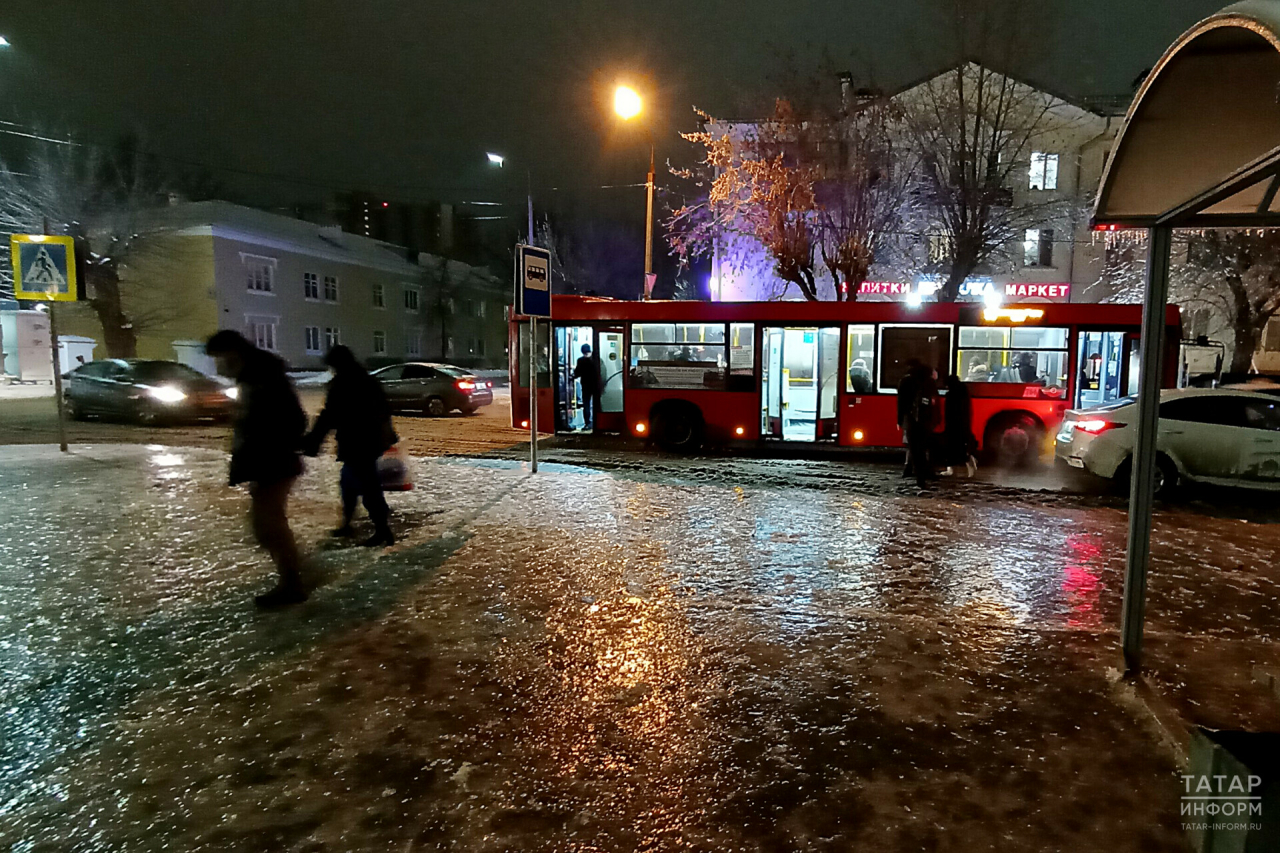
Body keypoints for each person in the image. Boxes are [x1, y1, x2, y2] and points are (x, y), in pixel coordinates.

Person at [206, 330, 308, 608]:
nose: (218, 365)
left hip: (273, 463)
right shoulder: (255, 379)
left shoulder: (263, 380)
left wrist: (260, 437)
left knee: (269, 527)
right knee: (267, 526)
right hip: (266, 463)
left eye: (219, 358)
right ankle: (293, 576)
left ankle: (293, 583)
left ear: (233, 354)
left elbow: (293, 421)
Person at [303, 345, 397, 547]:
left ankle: (382, 530)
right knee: (349, 484)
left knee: (368, 487)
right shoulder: (367, 380)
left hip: (358, 443)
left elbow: (330, 415)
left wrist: (313, 441)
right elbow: (384, 409)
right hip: (368, 441)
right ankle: (349, 524)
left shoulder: (344, 383)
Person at [898, 361, 940, 487]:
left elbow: (901, 403)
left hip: (911, 421)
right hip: (927, 421)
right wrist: (936, 420)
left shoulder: (905, 381)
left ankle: (919, 478)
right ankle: (929, 472)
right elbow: (935, 402)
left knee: (915, 449)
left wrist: (900, 420)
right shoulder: (930, 382)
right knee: (925, 448)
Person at [943, 374, 979, 477]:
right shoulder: (964, 393)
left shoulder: (951, 395)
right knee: (963, 448)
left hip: (953, 425)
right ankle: (970, 470)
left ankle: (951, 469)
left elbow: (949, 412)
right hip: (963, 425)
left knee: (953, 448)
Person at [571, 343, 601, 431]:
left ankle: (588, 423)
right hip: (596, 385)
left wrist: (572, 376)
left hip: (586, 385)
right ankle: (597, 422)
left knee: (586, 405)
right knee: (596, 404)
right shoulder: (596, 360)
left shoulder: (580, 361)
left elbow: (577, 373)